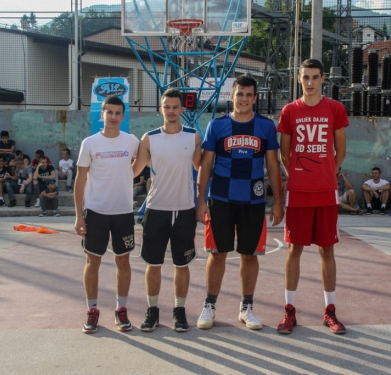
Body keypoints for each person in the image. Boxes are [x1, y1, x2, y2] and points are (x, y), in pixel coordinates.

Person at [196, 75, 283, 331]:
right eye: (240, 94)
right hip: (221, 199)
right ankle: (209, 305)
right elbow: (205, 164)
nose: (244, 99)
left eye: (248, 94)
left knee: (249, 255)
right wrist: (200, 200)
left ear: (255, 98)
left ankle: (246, 307)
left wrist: (278, 201)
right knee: (217, 253)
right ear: (231, 96)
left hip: (253, 199)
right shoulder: (216, 125)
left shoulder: (266, 127)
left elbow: (272, 165)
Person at [277, 58, 348, 335]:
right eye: (305, 77)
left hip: (326, 192)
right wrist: (296, 174)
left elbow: (340, 151)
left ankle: (330, 311)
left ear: (322, 79)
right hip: (299, 193)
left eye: (315, 77)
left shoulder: (335, 109)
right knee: (294, 250)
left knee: (326, 250)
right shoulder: (289, 111)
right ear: (298, 78)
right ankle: (289, 310)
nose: (310, 82)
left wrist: (328, 172)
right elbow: (285, 153)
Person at [132, 88, 202, 332]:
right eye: (167, 107)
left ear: (182, 109)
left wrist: (203, 201)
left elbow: (202, 167)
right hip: (156, 208)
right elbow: (133, 170)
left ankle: (179, 311)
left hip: (184, 209)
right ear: (160, 109)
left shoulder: (193, 137)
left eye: (175, 107)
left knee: (182, 265)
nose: (171, 111)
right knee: (153, 263)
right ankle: (152, 311)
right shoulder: (149, 138)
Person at [74, 96, 139, 334]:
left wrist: (128, 174)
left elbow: (146, 161)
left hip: (123, 212)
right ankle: (92, 310)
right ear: (102, 115)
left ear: (123, 116)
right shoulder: (90, 143)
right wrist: (79, 216)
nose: (113, 117)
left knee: (123, 261)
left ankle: (121, 309)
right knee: (93, 261)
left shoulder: (132, 141)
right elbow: (80, 180)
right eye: (108, 112)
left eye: (117, 113)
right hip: (96, 212)